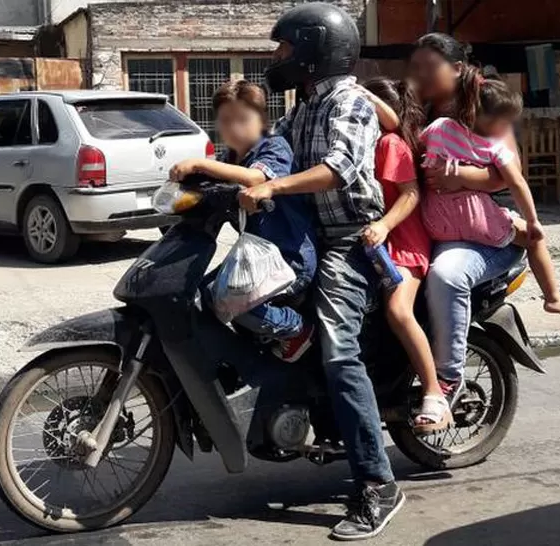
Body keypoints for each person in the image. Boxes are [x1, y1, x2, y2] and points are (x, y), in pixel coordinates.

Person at [238, 4, 404, 540]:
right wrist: (218, 174)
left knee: (338, 351)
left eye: (284, 48)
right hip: (307, 240)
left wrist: (273, 187)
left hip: (351, 242)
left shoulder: (349, 102)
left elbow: (338, 169)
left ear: (313, 49)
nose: (277, 58)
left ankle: (378, 485)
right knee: (238, 298)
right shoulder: (303, 105)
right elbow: (273, 153)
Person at [407, 32, 525, 404]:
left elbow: (507, 173)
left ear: (457, 69)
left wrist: (458, 176)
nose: (422, 74)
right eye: (418, 67)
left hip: (485, 231)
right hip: (437, 225)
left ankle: (447, 379)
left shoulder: (485, 105)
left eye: (431, 67)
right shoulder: (421, 109)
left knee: (447, 275)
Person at [169, 80, 317, 362]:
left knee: (235, 302)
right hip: (253, 259)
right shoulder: (231, 158)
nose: (234, 128)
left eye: (242, 119)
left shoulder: (275, 147)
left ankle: (296, 329)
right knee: (200, 297)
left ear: (261, 119)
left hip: (287, 259)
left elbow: (256, 178)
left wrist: (201, 164)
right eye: (226, 120)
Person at [420, 69, 560, 320]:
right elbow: (517, 182)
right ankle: (553, 297)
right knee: (532, 238)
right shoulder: (492, 145)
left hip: (434, 221)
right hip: (474, 219)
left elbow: (416, 148)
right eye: (504, 122)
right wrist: (534, 220)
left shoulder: (439, 127)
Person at [359, 77, 450, 433]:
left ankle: (433, 393)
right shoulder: (360, 143)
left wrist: (383, 225)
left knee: (397, 311)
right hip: (372, 242)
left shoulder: (390, 143)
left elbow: (409, 194)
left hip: (403, 243)